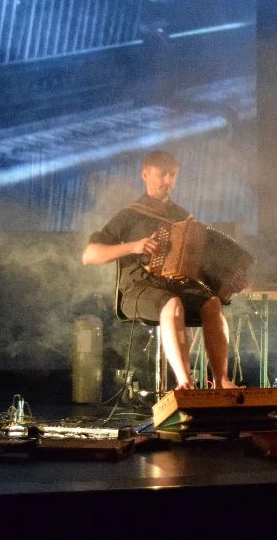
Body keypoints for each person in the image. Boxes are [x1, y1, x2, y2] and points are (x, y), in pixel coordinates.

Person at [81, 150, 236, 390]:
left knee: (212, 303)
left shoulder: (184, 217)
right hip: (137, 291)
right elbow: (89, 255)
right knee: (172, 303)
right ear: (145, 174)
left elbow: (201, 263)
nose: (168, 181)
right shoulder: (130, 215)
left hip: (176, 288)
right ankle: (186, 385)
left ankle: (222, 381)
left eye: (172, 175)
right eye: (162, 174)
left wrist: (227, 279)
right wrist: (135, 246)